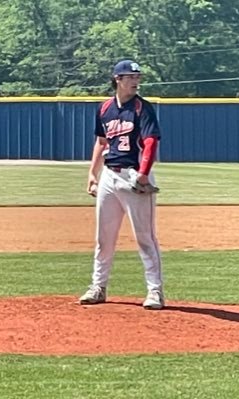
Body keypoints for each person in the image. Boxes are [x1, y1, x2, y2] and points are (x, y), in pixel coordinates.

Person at [79, 59, 164, 310]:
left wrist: (144, 174)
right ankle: (98, 286)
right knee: (103, 238)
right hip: (109, 176)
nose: (136, 80)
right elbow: (101, 142)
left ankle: (155, 291)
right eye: (130, 76)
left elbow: (150, 142)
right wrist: (92, 173)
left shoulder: (143, 109)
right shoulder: (105, 108)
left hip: (134, 176)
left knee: (145, 237)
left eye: (138, 76)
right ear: (117, 79)